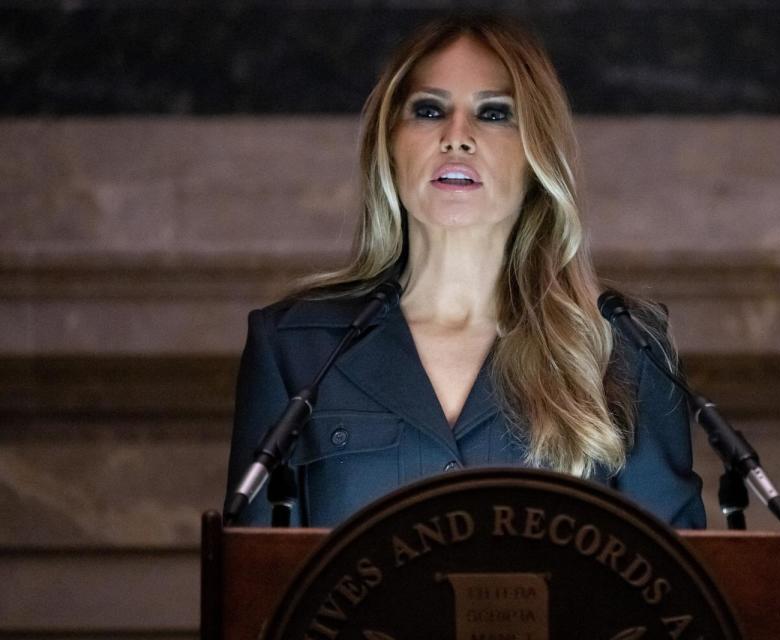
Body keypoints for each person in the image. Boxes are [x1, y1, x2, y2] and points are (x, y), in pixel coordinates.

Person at [225, 15, 705, 529]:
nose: (458, 136)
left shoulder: (624, 345)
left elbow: (675, 585)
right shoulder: (297, 347)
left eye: (494, 114)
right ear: (390, 142)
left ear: (536, 151)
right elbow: (256, 590)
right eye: (429, 110)